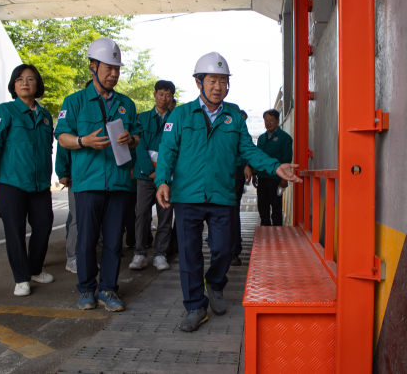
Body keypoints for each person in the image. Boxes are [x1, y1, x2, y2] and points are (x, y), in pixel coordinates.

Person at [155, 52, 302, 332]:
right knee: (189, 253)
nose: (218, 87)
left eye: (223, 81)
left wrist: (274, 167)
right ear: (199, 82)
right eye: (213, 81)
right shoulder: (182, 114)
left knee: (224, 249)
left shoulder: (233, 115)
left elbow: (247, 149)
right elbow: (167, 150)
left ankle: (216, 284)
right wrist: (162, 180)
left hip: (222, 196)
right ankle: (195, 306)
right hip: (187, 195)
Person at [55, 37, 141, 312]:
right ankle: (86, 289)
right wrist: (83, 142)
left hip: (118, 182)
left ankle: (108, 289)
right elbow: (62, 136)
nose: (114, 74)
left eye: (117, 69)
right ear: (93, 66)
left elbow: (138, 135)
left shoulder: (126, 103)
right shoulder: (75, 101)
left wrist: (132, 139)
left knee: (114, 241)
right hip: (88, 182)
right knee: (87, 240)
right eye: (108, 67)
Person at [0, 64, 54, 297]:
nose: (25, 83)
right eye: (20, 79)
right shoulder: (3, 111)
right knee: (15, 230)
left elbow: (47, 148)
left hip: (40, 184)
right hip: (11, 183)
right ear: (14, 85)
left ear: (37, 85)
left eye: (30, 79)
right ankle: (21, 278)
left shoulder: (44, 116)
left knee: (44, 225)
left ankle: (34, 269)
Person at [130, 80, 175, 271]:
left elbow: (177, 148)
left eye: (168, 95)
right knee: (141, 214)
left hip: (167, 178)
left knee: (165, 216)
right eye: (161, 93)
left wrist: (162, 174)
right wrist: (150, 171)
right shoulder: (143, 118)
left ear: (172, 97)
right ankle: (139, 253)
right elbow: (139, 145)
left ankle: (160, 254)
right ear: (155, 94)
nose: (164, 98)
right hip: (145, 176)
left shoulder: (177, 119)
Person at [251, 109, 293, 226]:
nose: (268, 123)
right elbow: (258, 157)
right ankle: (265, 233)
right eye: (266, 120)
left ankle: (277, 234)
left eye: (271, 120)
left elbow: (286, 160)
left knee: (276, 208)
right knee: (262, 208)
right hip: (262, 178)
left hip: (276, 179)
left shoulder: (285, 138)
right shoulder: (261, 138)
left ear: (278, 120)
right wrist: (254, 174)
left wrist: (284, 179)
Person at [230, 110, 253, 267]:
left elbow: (248, 150)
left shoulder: (242, 135)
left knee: (232, 211)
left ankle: (233, 252)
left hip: (236, 173)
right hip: (217, 174)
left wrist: (247, 165)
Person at [55, 143, 78, 273]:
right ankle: (72, 258)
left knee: (89, 220)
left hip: (95, 177)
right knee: (77, 218)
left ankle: (84, 258)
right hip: (77, 176)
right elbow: (64, 143)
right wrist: (63, 172)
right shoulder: (69, 122)